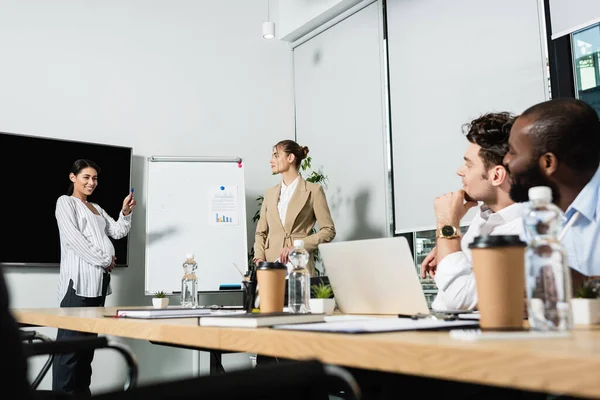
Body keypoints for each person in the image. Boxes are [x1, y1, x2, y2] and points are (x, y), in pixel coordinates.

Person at [421, 112, 525, 311]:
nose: (460, 171)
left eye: (468, 164)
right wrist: (448, 245)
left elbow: (458, 298)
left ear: (496, 175)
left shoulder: (526, 230)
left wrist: (447, 225)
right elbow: (447, 298)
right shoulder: (486, 218)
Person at [53, 159, 136, 396]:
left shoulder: (96, 208)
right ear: (73, 178)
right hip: (77, 286)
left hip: (98, 287)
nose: (91, 182)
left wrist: (125, 212)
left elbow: (118, 231)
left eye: (95, 178)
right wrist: (105, 259)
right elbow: (74, 240)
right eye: (86, 177)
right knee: (68, 352)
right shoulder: (65, 203)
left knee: (86, 350)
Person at [503, 97, 600, 287]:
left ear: (548, 163)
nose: (506, 160)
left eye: (513, 151)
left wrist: (584, 285)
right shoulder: (535, 214)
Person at [253, 140, 335, 275]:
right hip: (270, 265)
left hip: (299, 264)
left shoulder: (313, 190)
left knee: (300, 295)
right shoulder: (270, 193)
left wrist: (297, 246)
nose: (271, 160)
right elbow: (261, 232)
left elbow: (329, 230)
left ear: (290, 158)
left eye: (276, 155)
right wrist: (260, 259)